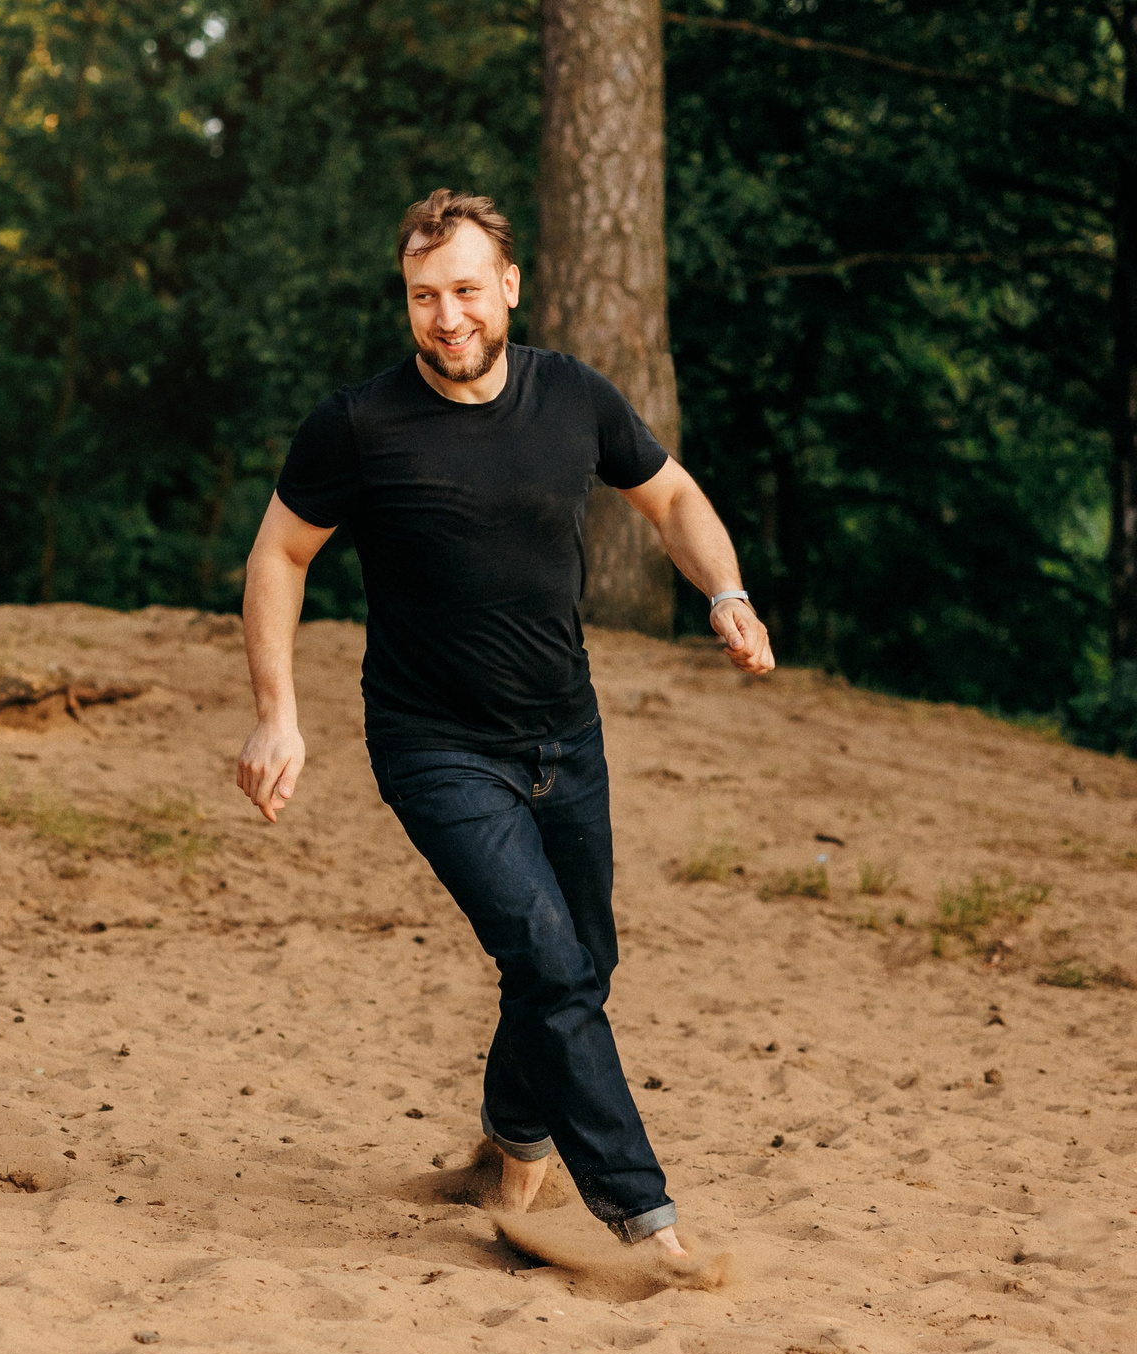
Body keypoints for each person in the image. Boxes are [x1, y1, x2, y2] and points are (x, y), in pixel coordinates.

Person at [233, 189, 775, 1256]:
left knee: (583, 956)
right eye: (423, 297)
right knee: (546, 958)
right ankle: (642, 1215)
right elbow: (278, 556)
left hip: (563, 736)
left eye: (466, 291)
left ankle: (510, 1150)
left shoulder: (571, 396)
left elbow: (670, 499)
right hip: (431, 743)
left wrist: (724, 593)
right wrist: (276, 717)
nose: (446, 317)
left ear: (508, 289)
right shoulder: (359, 424)